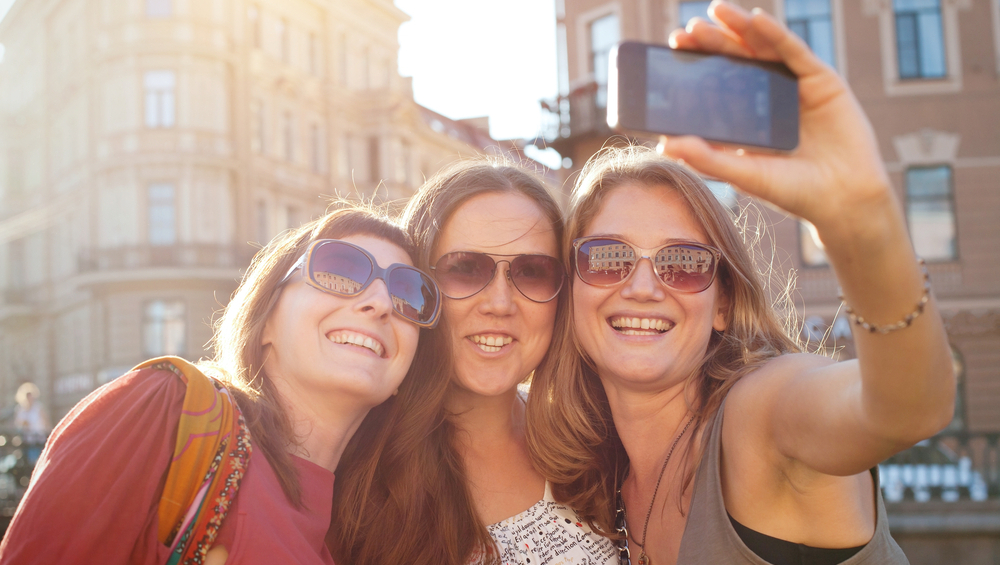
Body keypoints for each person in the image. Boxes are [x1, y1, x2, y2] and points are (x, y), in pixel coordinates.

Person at [528, 3, 954, 565]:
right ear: (573, 289)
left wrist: (863, 222)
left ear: (723, 302)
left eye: (682, 262)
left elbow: (904, 410)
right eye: (608, 258)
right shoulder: (596, 487)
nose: (643, 286)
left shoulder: (758, 416)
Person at [0, 204, 441, 565]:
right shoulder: (165, 409)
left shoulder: (370, 538)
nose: (382, 302)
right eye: (340, 271)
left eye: (408, 294)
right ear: (266, 319)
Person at [330, 161, 619, 564]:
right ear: (414, 287)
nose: (500, 303)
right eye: (464, 269)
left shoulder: (598, 446)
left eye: (532, 272)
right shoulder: (348, 459)